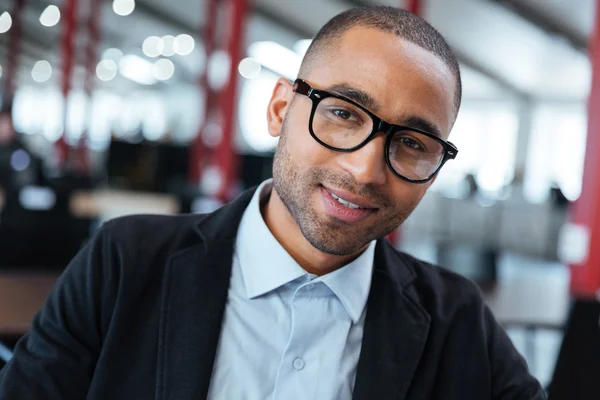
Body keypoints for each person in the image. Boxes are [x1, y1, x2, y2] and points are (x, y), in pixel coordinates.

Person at [0, 6, 546, 400]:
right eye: (343, 113)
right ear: (280, 109)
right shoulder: (124, 265)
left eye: (411, 143)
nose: (365, 170)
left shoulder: (458, 322)